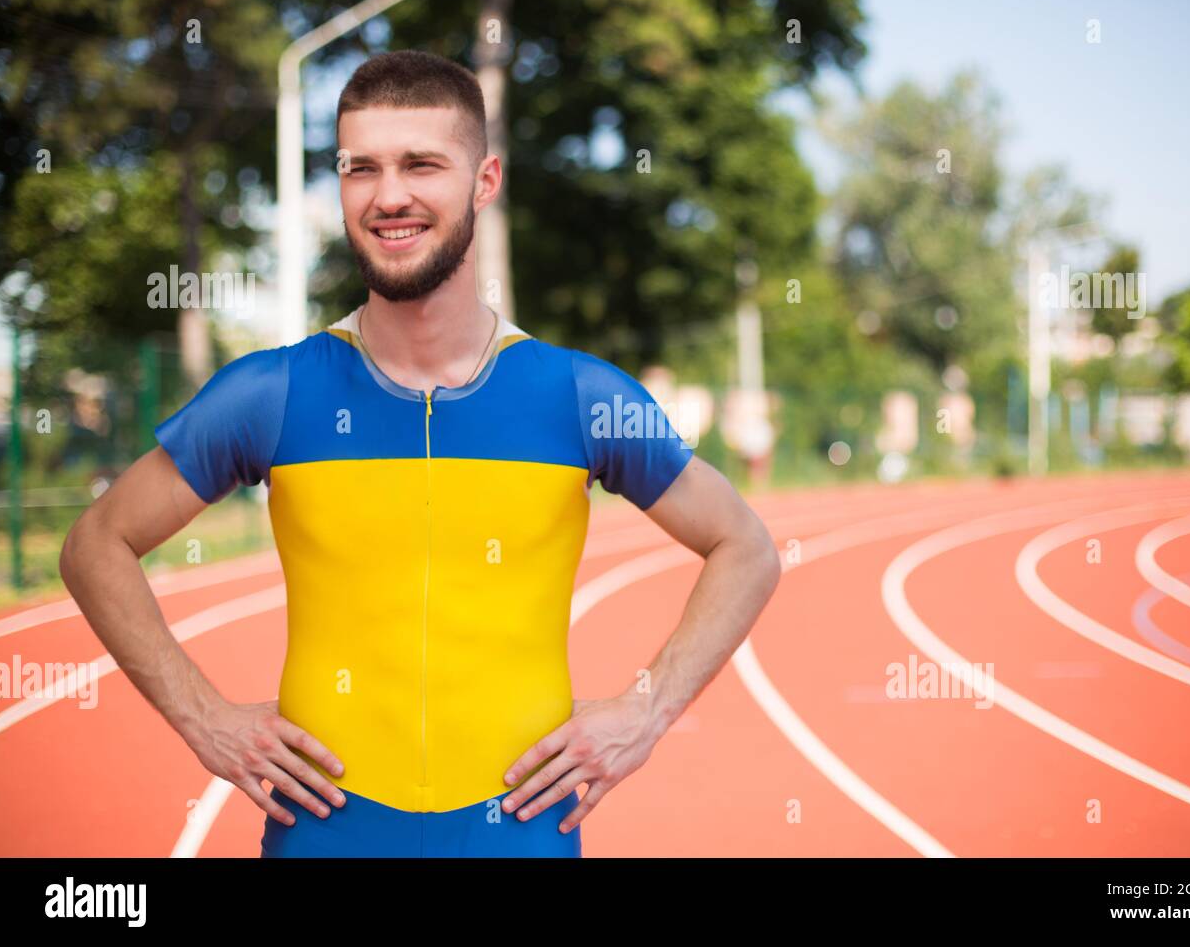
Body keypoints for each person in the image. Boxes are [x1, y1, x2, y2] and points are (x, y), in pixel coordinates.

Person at [58, 50, 781, 857]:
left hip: (521, 834)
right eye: (359, 167)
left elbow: (745, 546)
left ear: (485, 180)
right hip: (328, 835)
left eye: (420, 164)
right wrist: (204, 719)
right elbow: (96, 544)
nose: (388, 195)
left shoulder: (581, 397)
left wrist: (647, 708)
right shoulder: (273, 392)